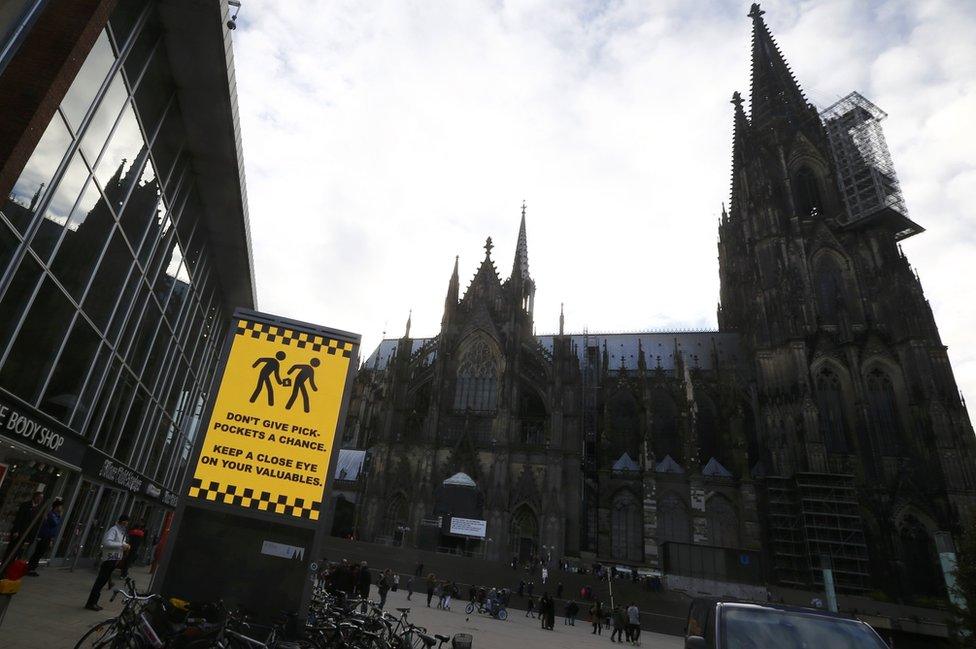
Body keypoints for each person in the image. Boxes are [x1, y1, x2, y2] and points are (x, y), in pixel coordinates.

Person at [85, 515, 130, 611]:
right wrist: (122, 545)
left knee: (103, 580)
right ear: (121, 522)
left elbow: (120, 542)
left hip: (114, 559)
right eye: (124, 523)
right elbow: (107, 543)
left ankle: (94, 602)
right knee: (101, 580)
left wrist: (124, 545)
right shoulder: (113, 530)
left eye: (126, 523)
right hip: (109, 558)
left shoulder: (121, 531)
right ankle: (91, 602)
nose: (125, 525)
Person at [3, 488, 44, 563]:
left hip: (26, 534)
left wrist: (33, 537)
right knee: (11, 550)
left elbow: (36, 523)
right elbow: (19, 518)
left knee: (18, 552)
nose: (40, 500)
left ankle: (10, 568)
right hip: (19, 532)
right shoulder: (25, 505)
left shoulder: (38, 509)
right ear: (35, 497)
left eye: (42, 498)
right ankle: (4, 566)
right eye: (39, 498)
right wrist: (16, 530)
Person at [26, 498, 62, 575]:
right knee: (38, 552)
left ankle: (32, 567)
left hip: (48, 536)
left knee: (40, 553)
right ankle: (30, 568)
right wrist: (59, 516)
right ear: (56, 507)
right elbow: (54, 523)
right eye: (60, 507)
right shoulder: (51, 514)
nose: (61, 508)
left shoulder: (55, 515)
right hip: (44, 536)